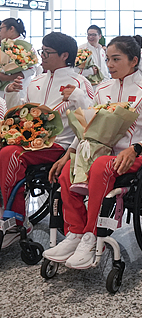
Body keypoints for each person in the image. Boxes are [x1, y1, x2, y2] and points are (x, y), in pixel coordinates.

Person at [43, 36, 142, 269]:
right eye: (108, 59)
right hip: (101, 154)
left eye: (116, 59)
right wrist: (68, 154)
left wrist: (136, 149)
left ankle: (90, 237)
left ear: (134, 61)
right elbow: (89, 130)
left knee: (100, 165)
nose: (109, 64)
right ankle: (76, 233)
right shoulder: (101, 90)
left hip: (136, 156)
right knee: (68, 171)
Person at [0, 32, 93, 248]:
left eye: (46, 52)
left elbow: (89, 121)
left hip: (60, 145)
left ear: (64, 55)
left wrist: (79, 97)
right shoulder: (36, 81)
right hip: (30, 142)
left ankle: (16, 222)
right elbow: (24, 111)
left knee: (9, 154)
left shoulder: (80, 83)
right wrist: (11, 93)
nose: (41, 56)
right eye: (41, 51)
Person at [0, 18, 37, 99]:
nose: (0, 32)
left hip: (18, 90)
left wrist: (7, 78)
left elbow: (32, 69)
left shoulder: (25, 47)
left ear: (11, 29)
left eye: (1, 28)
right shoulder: (4, 45)